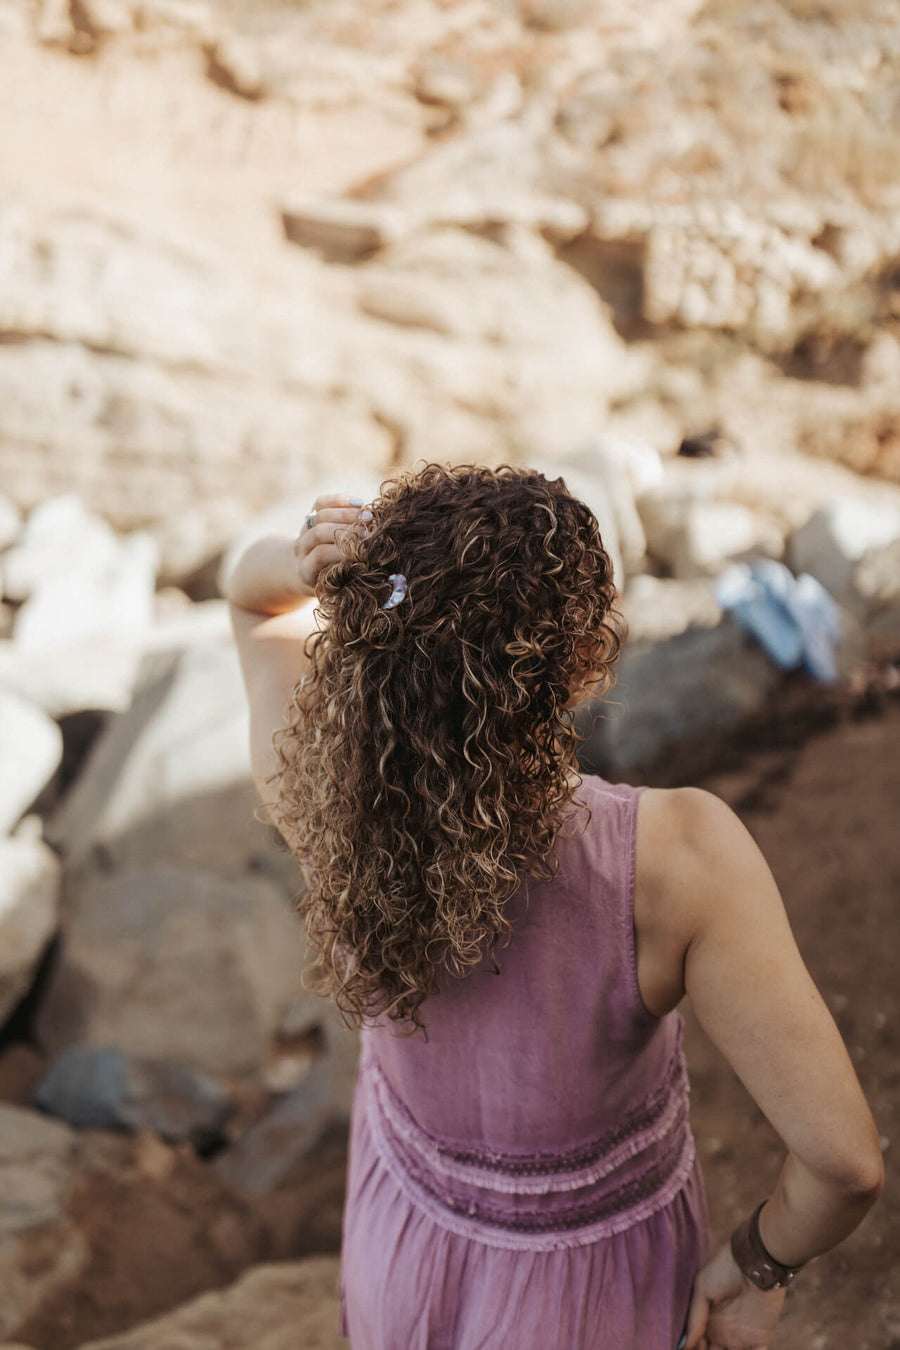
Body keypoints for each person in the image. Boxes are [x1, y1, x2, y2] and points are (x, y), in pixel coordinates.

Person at [225, 463, 883, 1350]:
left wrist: (306, 564)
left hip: (402, 1256)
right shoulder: (676, 859)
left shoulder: (332, 805)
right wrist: (752, 1270)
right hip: (590, 1306)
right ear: (577, 667)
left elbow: (251, 604)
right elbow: (843, 1165)